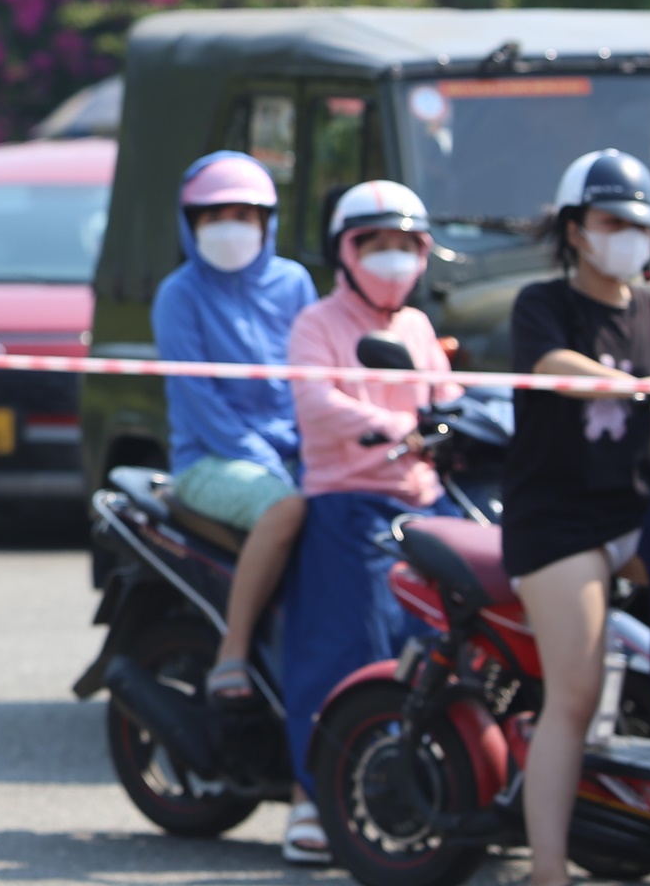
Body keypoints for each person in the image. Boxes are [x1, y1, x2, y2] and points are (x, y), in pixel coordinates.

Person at [501, 149, 650, 886]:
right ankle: (550, 872)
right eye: (611, 221)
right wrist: (630, 385)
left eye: (639, 223)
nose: (628, 235)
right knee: (577, 692)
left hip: (639, 512)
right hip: (557, 526)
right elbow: (552, 369)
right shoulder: (542, 304)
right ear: (574, 230)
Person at [279, 179, 462, 861]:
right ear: (345, 251)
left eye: (404, 245)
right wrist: (398, 426)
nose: (392, 259)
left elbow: (449, 395)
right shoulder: (317, 324)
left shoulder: (415, 327)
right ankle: (310, 800)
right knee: (343, 652)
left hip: (426, 504)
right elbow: (318, 403)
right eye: (375, 244)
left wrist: (469, 420)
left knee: (447, 651)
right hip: (347, 503)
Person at [151, 151, 320, 857]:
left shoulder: (295, 283)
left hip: (298, 457)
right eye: (216, 216)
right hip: (212, 464)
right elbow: (204, 406)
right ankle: (234, 649)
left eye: (245, 215)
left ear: (268, 222)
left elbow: (315, 378)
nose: (232, 227)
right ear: (192, 225)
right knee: (286, 509)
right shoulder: (178, 295)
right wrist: (276, 458)